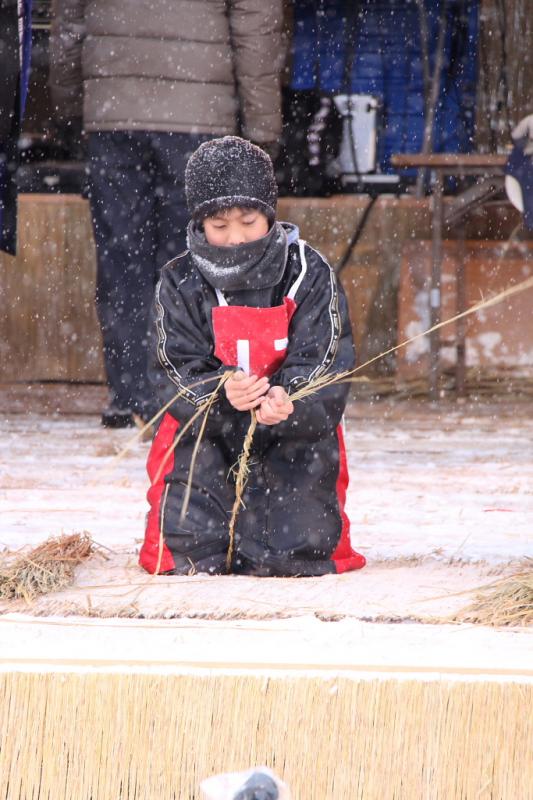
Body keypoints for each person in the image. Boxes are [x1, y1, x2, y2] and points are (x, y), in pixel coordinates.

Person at [49, 0, 284, 427]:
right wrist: (262, 127)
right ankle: (184, 393)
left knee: (121, 262)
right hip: (198, 111)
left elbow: (68, 22)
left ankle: (129, 395)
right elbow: (256, 26)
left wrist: (68, 104)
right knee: (194, 263)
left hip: (114, 111)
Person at [139, 136, 366, 577]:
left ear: (270, 215)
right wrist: (219, 391)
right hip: (204, 432)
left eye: (248, 221)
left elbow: (327, 357)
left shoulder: (308, 273)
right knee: (191, 549)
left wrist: (290, 398)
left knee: (298, 550)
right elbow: (172, 366)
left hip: (293, 431)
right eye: (219, 225)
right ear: (198, 223)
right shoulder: (178, 281)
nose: (235, 238)